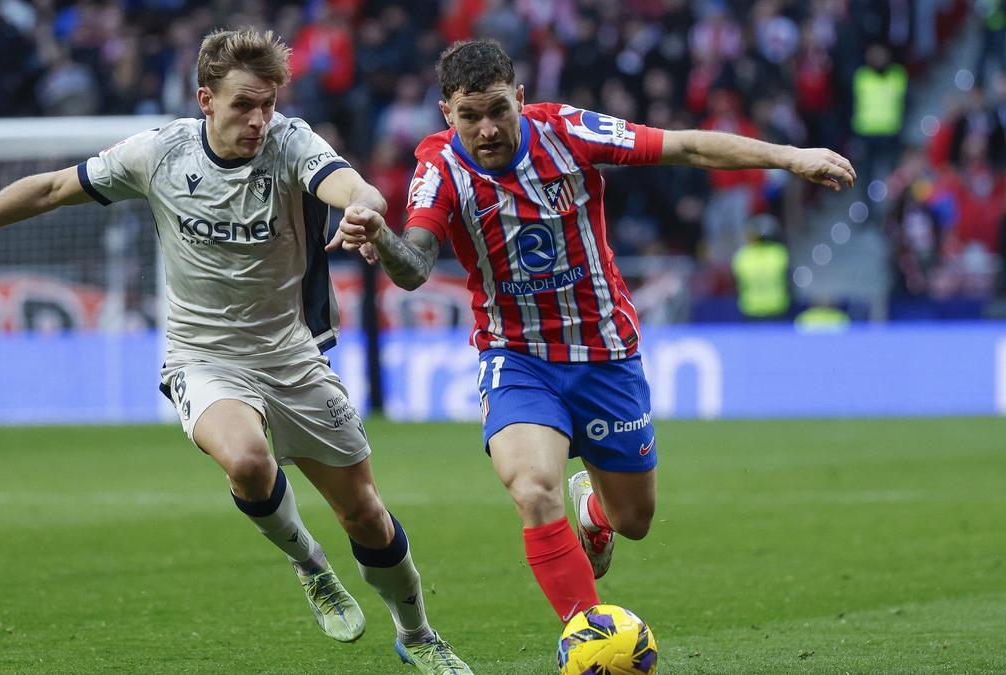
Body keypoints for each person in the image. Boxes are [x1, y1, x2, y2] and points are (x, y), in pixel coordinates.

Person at [0, 29, 472, 675]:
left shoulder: (290, 142)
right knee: (247, 459)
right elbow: (53, 188)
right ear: (204, 99)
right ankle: (311, 564)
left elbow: (355, 188)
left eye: (268, 104)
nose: (259, 119)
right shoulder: (160, 153)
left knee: (364, 511)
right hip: (202, 355)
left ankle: (416, 632)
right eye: (244, 104)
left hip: (292, 355)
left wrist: (363, 210)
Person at [331, 39, 854, 625]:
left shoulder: (566, 131)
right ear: (446, 114)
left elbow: (684, 147)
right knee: (532, 488)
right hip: (517, 355)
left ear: (520, 99)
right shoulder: (439, 167)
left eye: (498, 110)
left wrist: (789, 156)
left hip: (605, 350)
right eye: (469, 116)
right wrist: (380, 235)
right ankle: (588, 634)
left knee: (633, 520)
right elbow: (416, 265)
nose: (486, 129)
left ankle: (594, 510)